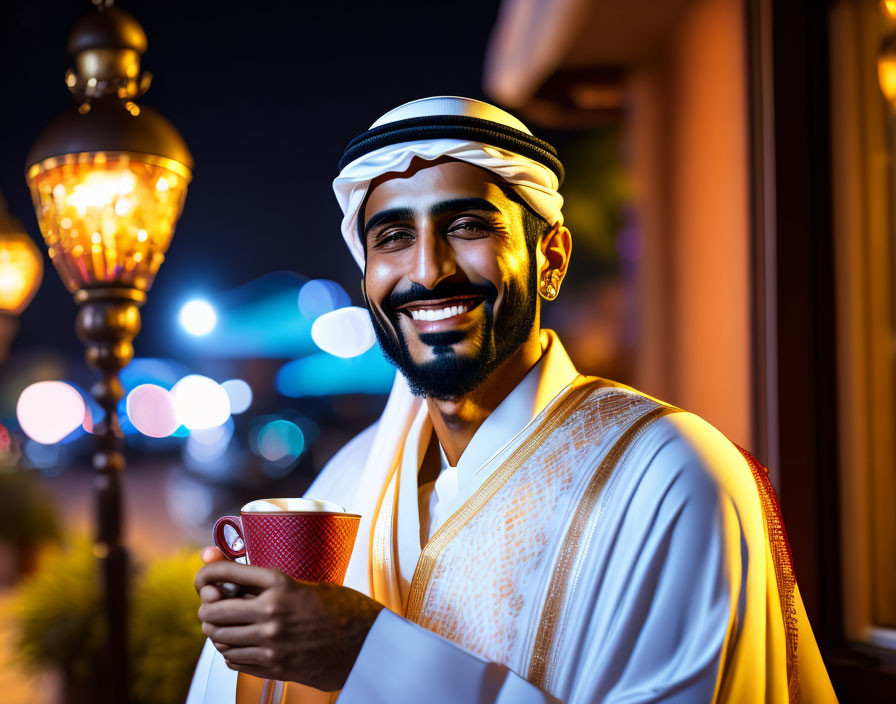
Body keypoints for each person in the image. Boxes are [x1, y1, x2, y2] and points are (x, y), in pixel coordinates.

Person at [186, 96, 838, 703]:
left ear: (549, 258)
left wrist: (364, 653)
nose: (427, 270)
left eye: (467, 227)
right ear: (367, 280)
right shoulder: (353, 478)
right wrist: (241, 632)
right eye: (391, 238)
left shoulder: (671, 475)